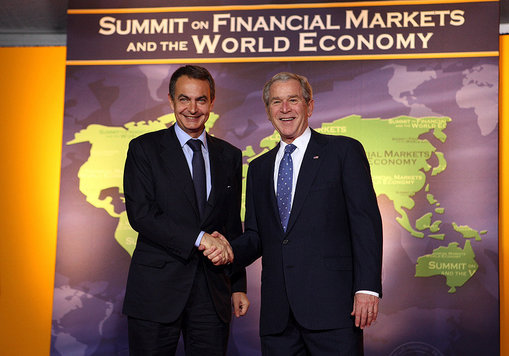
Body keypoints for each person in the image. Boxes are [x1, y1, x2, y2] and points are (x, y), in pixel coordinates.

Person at [207, 72, 383, 355]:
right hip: (279, 320)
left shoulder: (343, 151)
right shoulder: (259, 168)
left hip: (334, 313)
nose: (285, 109)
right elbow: (255, 235)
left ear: (309, 106)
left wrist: (368, 288)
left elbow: (366, 224)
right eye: (276, 102)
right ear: (268, 111)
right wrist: (227, 250)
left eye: (293, 100)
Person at [122, 65, 249, 355]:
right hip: (156, 291)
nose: (192, 108)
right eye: (184, 99)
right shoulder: (144, 149)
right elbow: (141, 214)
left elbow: (231, 224)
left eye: (201, 100)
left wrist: (238, 284)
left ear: (211, 102)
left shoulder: (229, 155)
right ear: (171, 101)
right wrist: (200, 238)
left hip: (212, 290)